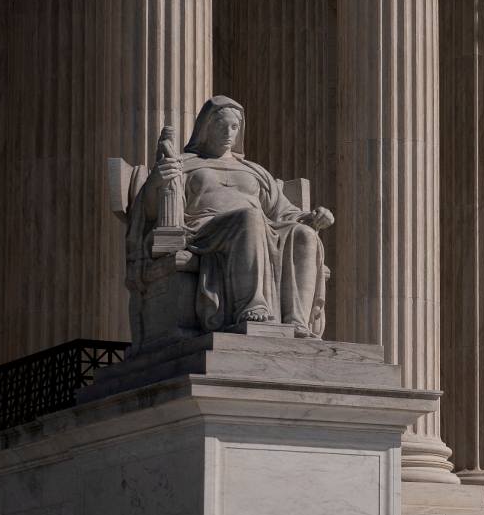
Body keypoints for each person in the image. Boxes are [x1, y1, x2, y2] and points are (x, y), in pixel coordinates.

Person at [129, 95, 334, 338]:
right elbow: (150, 212)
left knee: (305, 235)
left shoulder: (255, 171)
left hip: (259, 229)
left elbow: (284, 212)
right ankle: (250, 306)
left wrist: (313, 218)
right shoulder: (184, 164)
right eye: (221, 125)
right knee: (250, 218)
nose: (228, 132)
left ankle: (296, 321)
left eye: (234, 127)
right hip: (204, 232)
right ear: (206, 127)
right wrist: (156, 181)